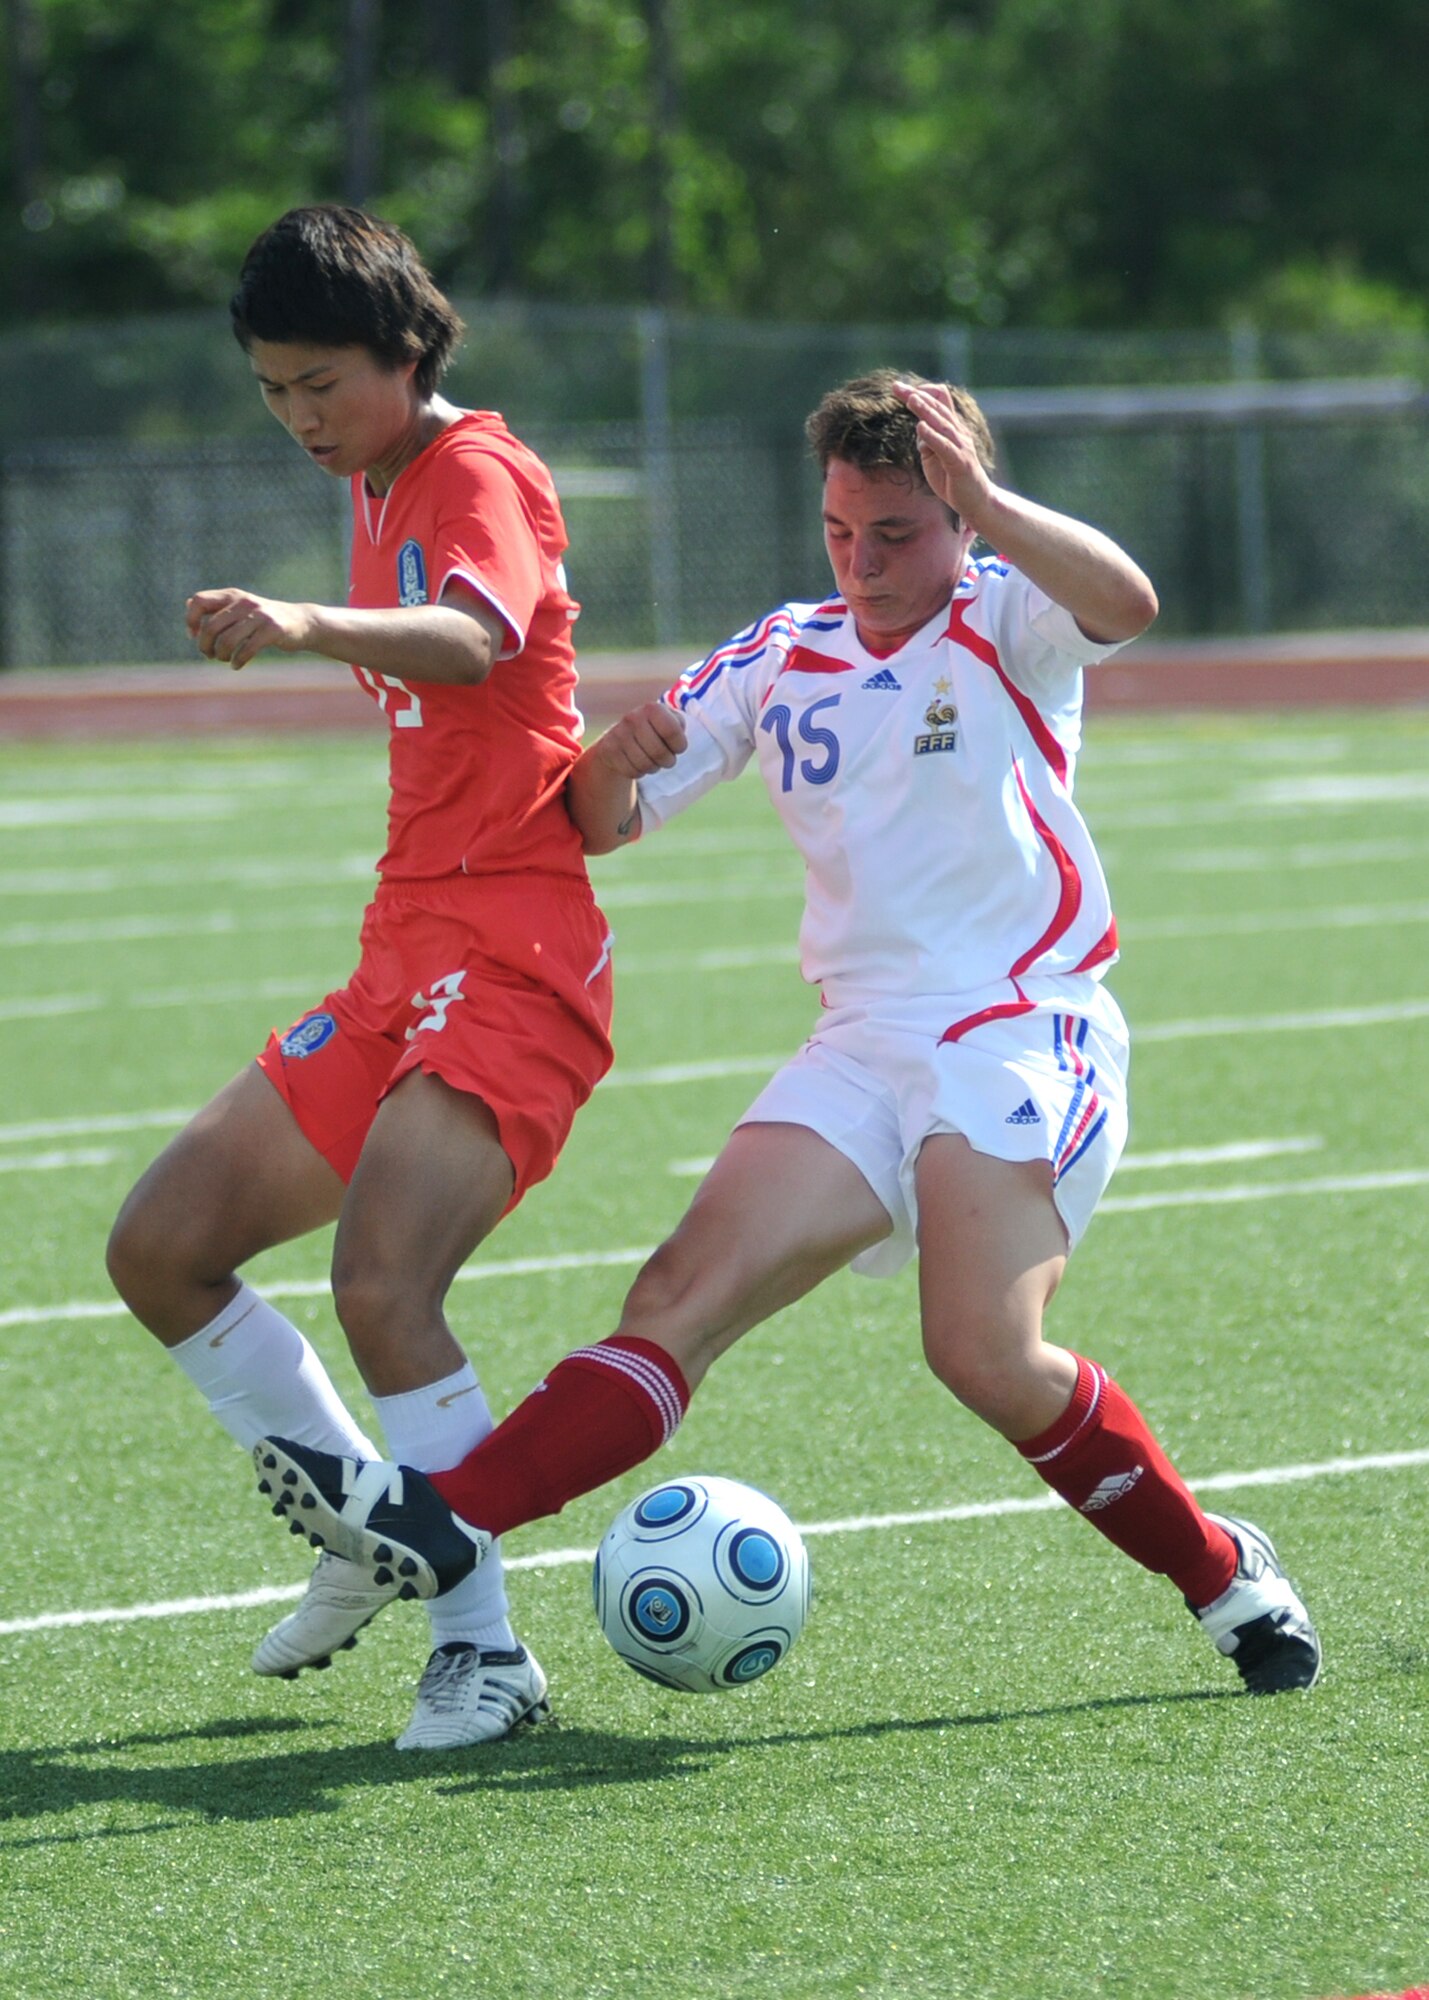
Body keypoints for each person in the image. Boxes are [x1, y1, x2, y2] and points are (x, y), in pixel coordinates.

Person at [249, 369, 1321, 1697]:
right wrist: (614, 759)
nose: (863, 565)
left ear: (960, 525)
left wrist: (988, 501)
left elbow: (1129, 602)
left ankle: (1219, 1570)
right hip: (861, 1040)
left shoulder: (1007, 618)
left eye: (898, 534)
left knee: (979, 1353)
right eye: (839, 532)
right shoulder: (782, 654)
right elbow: (597, 822)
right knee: (674, 1301)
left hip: (1014, 1027)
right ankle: (446, 1514)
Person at [107, 205, 615, 1749]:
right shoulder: (382, 471)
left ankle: (487, 1650)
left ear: (404, 345)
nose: (298, 418)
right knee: (161, 1246)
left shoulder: (476, 470)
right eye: (273, 392)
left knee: (384, 1285)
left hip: (515, 955)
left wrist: (304, 621)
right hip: (406, 950)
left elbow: (470, 640)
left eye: (318, 382)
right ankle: (366, 1527)